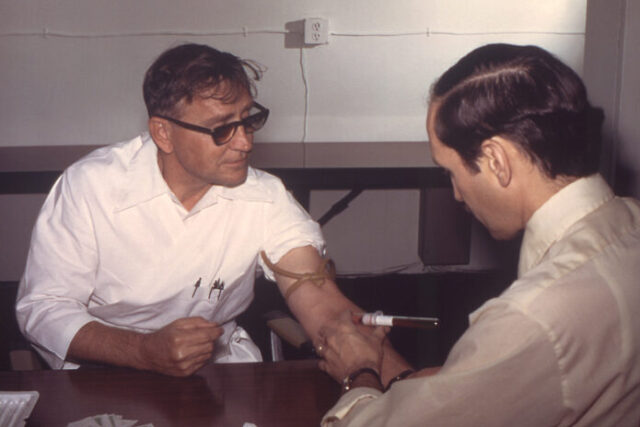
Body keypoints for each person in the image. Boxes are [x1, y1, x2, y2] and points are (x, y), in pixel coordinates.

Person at [316, 43, 640, 426]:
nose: (456, 194)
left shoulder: (530, 316)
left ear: (496, 161)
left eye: (450, 172)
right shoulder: (629, 221)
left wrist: (359, 373)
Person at [16, 43, 368, 377]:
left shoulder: (263, 196)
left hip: (218, 372)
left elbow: (318, 296)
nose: (245, 142)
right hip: (107, 371)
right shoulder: (91, 186)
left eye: (247, 120)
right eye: (222, 129)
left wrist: (387, 375)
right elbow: (44, 308)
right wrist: (142, 351)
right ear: (163, 134)